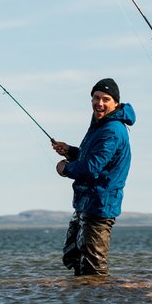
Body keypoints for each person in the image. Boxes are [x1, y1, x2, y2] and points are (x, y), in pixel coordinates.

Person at [51, 77, 135, 277]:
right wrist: (70, 151)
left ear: (115, 103)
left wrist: (65, 169)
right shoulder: (100, 124)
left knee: (93, 268)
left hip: (99, 205)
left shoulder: (112, 130)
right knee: (73, 257)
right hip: (85, 203)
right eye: (96, 98)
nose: (100, 103)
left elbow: (91, 168)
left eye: (106, 99)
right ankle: (83, 303)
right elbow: (93, 158)